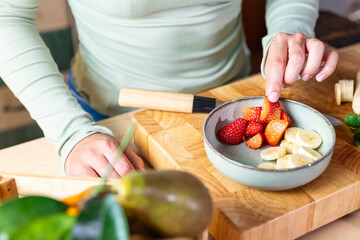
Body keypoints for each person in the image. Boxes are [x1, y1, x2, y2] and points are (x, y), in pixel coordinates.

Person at [0, 0, 338, 178]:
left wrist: (290, 31)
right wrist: (70, 133)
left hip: (229, 100)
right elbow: (7, 16)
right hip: (110, 122)